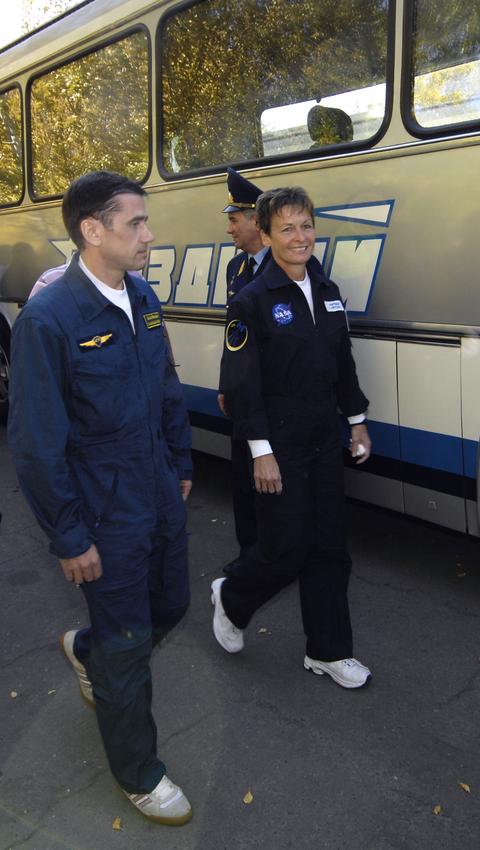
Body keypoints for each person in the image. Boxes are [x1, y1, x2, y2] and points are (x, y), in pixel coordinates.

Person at [9, 171, 194, 827]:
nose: (149, 234)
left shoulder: (142, 295)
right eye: (136, 224)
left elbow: (166, 384)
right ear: (93, 231)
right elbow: (35, 443)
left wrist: (180, 461)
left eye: (145, 222)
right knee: (126, 643)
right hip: (103, 511)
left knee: (172, 604)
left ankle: (86, 650)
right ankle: (140, 773)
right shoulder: (50, 319)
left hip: (157, 492)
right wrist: (69, 535)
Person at [212, 186, 374, 689]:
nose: (299, 236)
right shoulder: (251, 301)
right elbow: (243, 385)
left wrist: (357, 420)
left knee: (329, 546)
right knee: (285, 547)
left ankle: (328, 651)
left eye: (305, 225)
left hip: (324, 437)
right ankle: (233, 597)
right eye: (286, 228)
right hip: (278, 446)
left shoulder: (326, 291)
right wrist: (260, 451)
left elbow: (341, 362)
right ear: (266, 234)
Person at [216, 167, 270, 574]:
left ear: (255, 220)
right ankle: (249, 551)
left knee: (270, 479)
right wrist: (225, 384)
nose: (230, 228)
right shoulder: (237, 269)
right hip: (242, 395)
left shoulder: (284, 266)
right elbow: (233, 337)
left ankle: (272, 553)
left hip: (270, 397)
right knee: (241, 481)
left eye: (235, 219)